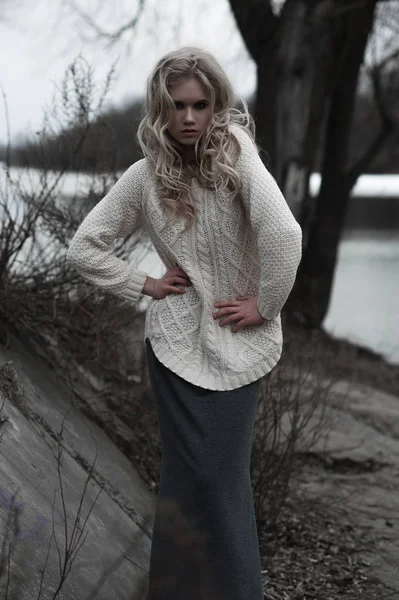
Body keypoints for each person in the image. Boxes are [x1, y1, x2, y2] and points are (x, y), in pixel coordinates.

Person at [66, 46, 302, 600]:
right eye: (178, 106)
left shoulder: (236, 153)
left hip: (239, 344)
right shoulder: (144, 177)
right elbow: (84, 247)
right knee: (182, 482)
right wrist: (143, 284)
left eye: (200, 104)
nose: (190, 117)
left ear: (216, 103)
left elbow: (284, 235)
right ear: (161, 108)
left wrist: (266, 305)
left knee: (220, 482)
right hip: (173, 347)